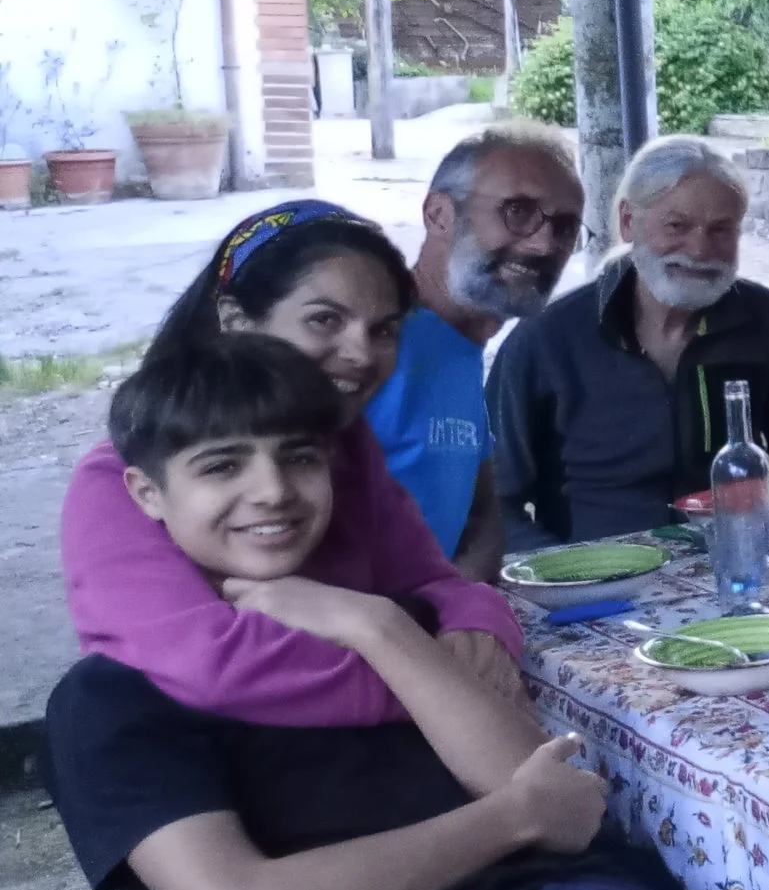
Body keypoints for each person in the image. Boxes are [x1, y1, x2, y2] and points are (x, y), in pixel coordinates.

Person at [42, 335, 769, 890]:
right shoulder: (117, 699)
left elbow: (542, 782)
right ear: (146, 494)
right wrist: (509, 821)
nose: (272, 489)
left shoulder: (384, 619)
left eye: (300, 456)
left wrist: (381, 629)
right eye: (222, 465)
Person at [59, 200, 525, 726]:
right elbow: (218, 665)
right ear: (237, 322)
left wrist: (480, 622)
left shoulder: (348, 447)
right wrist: (437, 684)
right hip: (204, 772)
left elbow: (437, 586)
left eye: (384, 330)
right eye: (325, 319)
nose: (361, 354)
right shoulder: (122, 481)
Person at [489, 136, 769, 548]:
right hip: (596, 586)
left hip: (736, 570)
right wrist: (560, 572)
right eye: (677, 225)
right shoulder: (546, 341)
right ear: (629, 222)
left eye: (721, 230)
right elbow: (492, 502)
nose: (700, 249)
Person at [365, 123, 584, 580]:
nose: (543, 243)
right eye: (517, 211)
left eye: (565, 227)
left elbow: (479, 521)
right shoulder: (366, 344)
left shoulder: (460, 345)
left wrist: (467, 619)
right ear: (439, 215)